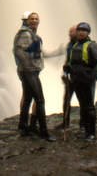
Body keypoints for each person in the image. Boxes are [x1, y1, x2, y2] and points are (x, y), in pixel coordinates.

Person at [13, 11, 56, 141]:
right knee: (40, 100)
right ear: (27, 20)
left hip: (30, 70)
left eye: (36, 18)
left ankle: (24, 126)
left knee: (27, 99)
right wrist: (29, 67)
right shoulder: (26, 34)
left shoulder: (33, 35)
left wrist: (55, 54)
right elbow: (19, 52)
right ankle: (43, 132)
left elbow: (38, 53)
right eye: (32, 18)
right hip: (29, 71)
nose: (34, 20)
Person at [68, 21, 97, 141]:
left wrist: (94, 75)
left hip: (87, 80)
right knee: (83, 106)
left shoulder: (92, 46)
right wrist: (68, 67)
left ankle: (91, 133)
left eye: (84, 31)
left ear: (88, 33)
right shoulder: (75, 46)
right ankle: (85, 130)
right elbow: (72, 61)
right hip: (76, 80)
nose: (81, 32)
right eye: (79, 30)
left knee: (89, 107)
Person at [58, 25, 77, 131]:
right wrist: (64, 73)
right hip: (70, 77)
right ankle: (65, 122)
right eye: (69, 32)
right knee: (66, 100)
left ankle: (84, 124)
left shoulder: (81, 44)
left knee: (82, 100)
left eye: (72, 32)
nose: (70, 33)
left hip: (79, 77)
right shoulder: (69, 45)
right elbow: (68, 60)